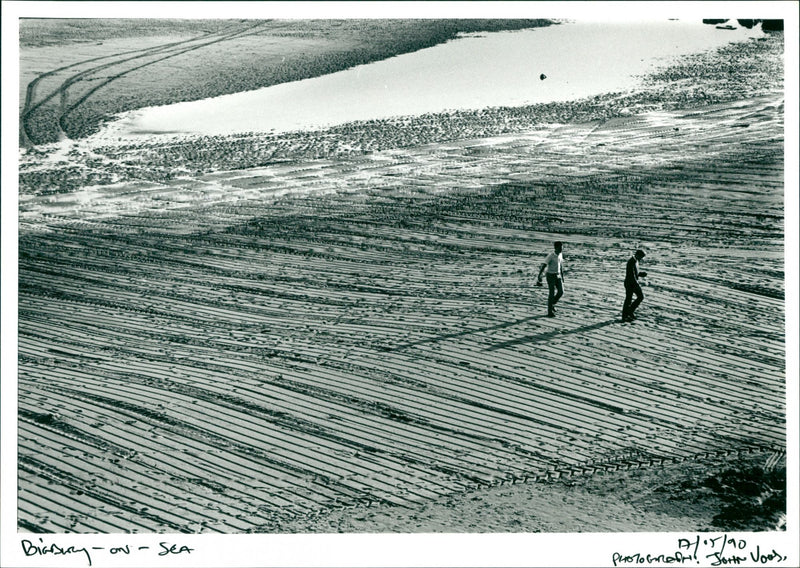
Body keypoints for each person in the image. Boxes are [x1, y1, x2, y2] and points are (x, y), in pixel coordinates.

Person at [536, 241, 565, 317]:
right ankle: (549, 312)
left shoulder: (560, 255)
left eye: (562, 247)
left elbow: (560, 266)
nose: (561, 249)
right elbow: (544, 265)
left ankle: (552, 304)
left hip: (558, 275)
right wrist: (539, 275)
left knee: (561, 292)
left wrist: (562, 276)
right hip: (550, 276)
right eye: (560, 247)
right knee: (551, 293)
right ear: (556, 248)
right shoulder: (550, 256)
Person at [622, 249, 647, 322]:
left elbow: (634, 273)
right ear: (638, 255)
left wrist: (640, 274)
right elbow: (631, 275)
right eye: (641, 257)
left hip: (631, 282)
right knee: (638, 297)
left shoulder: (635, 260)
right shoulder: (632, 261)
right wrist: (636, 283)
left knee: (629, 299)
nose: (641, 259)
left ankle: (628, 313)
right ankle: (627, 314)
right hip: (631, 283)